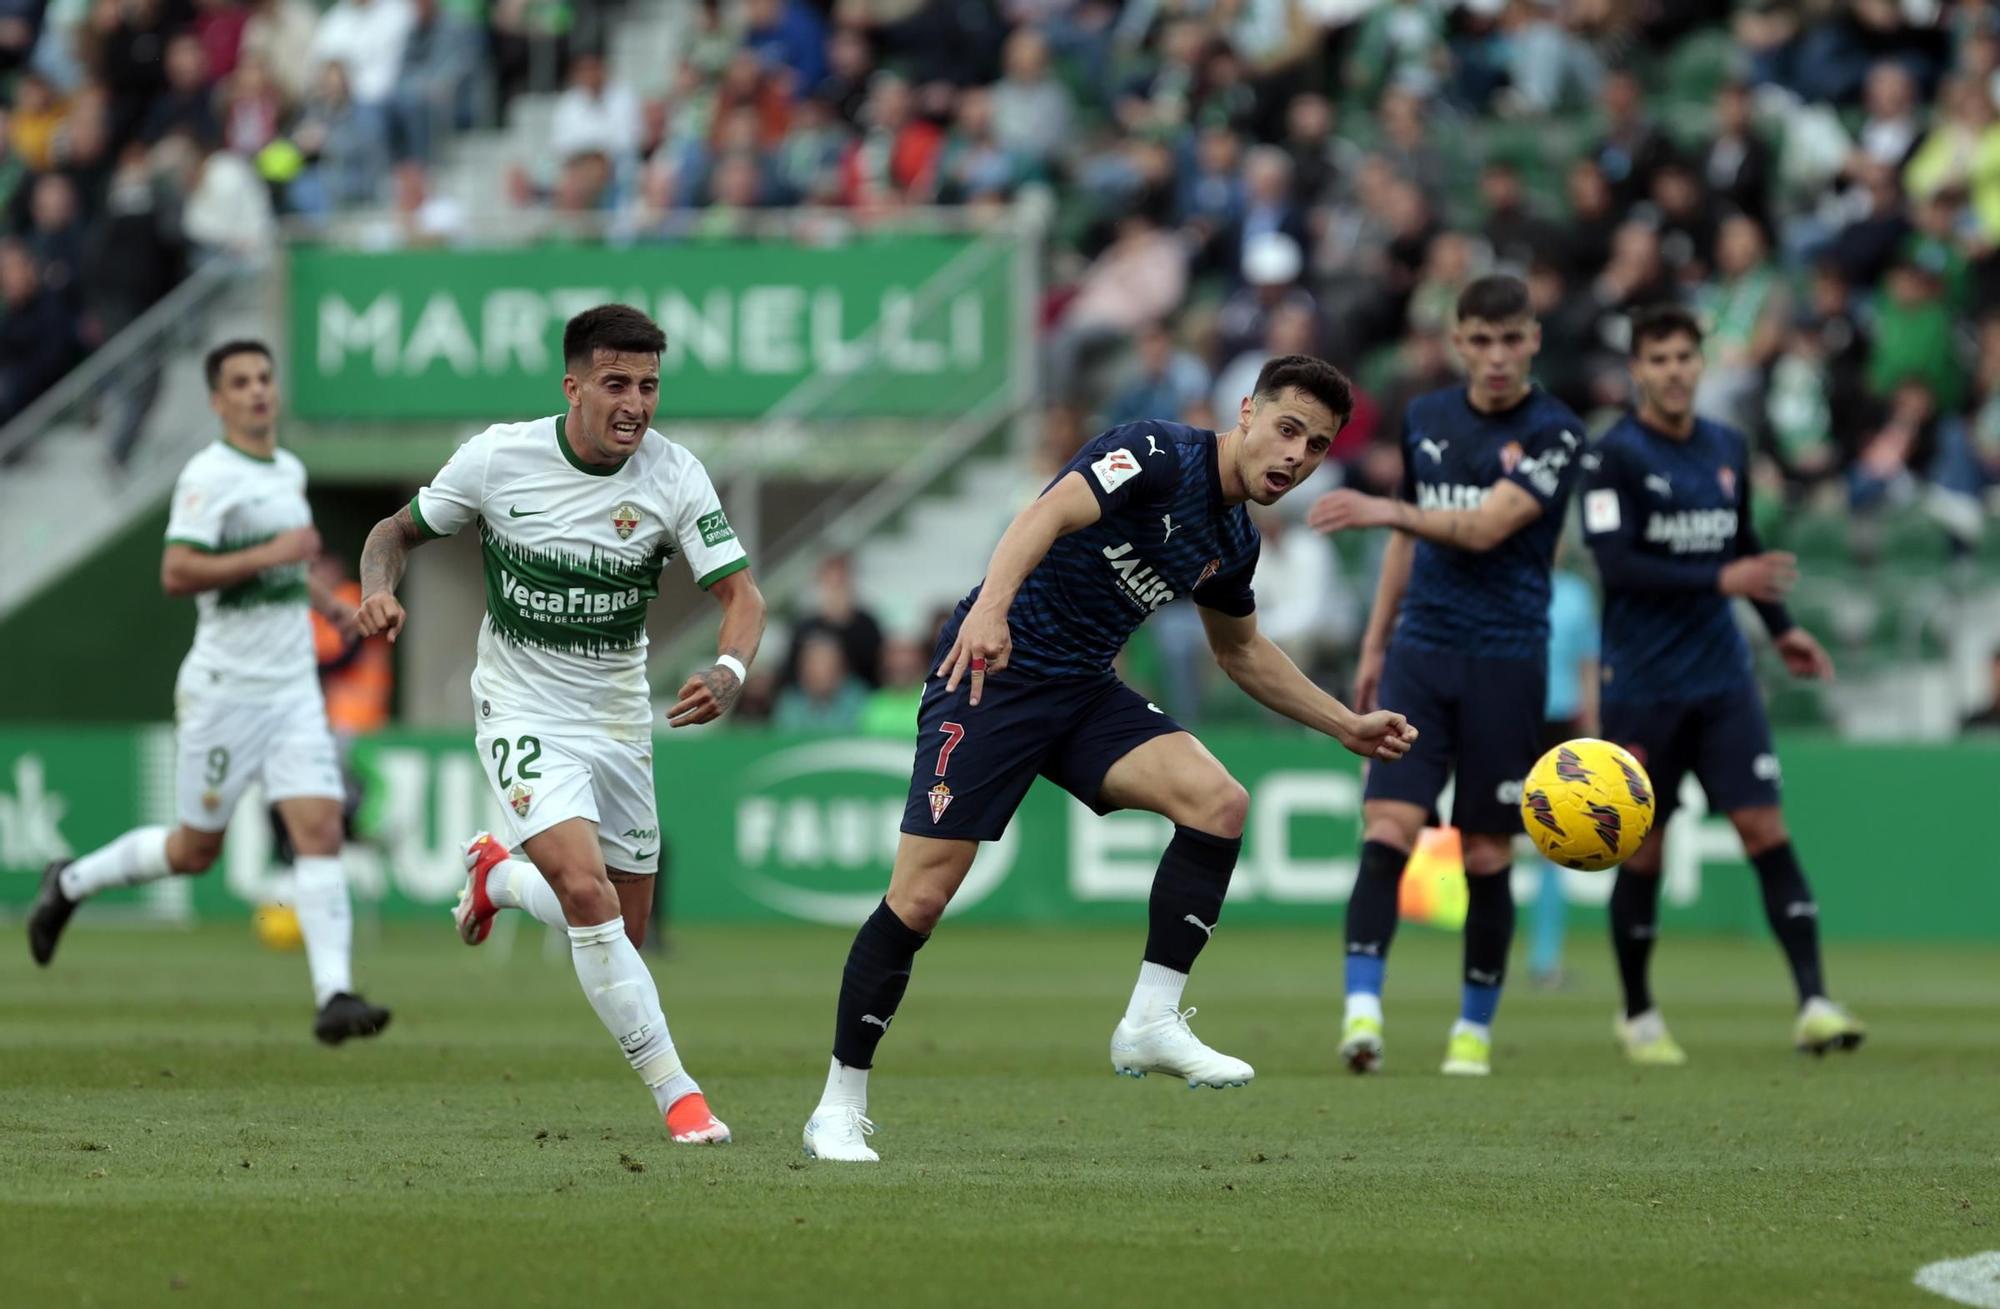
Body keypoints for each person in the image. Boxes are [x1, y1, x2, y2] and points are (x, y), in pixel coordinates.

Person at [799, 355, 1418, 1164]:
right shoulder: (1156, 452)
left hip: (1084, 690)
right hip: (995, 671)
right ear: (1246, 412)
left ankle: (1150, 1020)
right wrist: (989, 612)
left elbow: (1241, 653)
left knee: (1219, 801)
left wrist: (1345, 725)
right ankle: (839, 1102)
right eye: (1288, 429)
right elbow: (1044, 514)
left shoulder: (1232, 540)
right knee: (918, 900)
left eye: (1317, 445)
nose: (1297, 456)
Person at [353, 304, 766, 1144]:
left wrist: (730, 669)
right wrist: (376, 587)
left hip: (617, 713)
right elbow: (391, 533)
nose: (636, 404)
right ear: (572, 386)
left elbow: (742, 596)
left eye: (649, 386)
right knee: (587, 894)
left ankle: (497, 879)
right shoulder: (498, 458)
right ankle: (679, 1096)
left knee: (622, 925)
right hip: (520, 703)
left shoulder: (675, 474)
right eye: (616, 383)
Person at [26, 341, 390, 1046]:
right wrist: (269, 555)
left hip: (290, 692)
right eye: (241, 383)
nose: (257, 391)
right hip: (226, 692)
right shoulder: (208, 474)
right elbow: (177, 570)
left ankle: (334, 993)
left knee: (320, 828)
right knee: (195, 850)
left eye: (264, 378)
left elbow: (287, 566)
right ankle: (69, 882)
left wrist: (330, 604)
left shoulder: (287, 468)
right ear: (219, 400)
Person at [1307, 274, 1586, 1078]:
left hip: (1507, 661)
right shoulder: (1428, 417)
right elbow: (1407, 542)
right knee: (1388, 830)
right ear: (1458, 341)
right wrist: (1373, 644)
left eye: (1512, 339)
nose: (1497, 356)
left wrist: (1390, 511)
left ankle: (1474, 1028)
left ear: (1533, 339)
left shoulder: (1556, 432)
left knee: (1487, 854)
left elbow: (1486, 526)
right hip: (1420, 654)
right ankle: (1362, 1012)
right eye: (1482, 340)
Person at [1582, 303, 1864, 1065]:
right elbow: (1618, 566)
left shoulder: (1727, 447)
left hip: (1722, 680)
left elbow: (1745, 547)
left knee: (1764, 830)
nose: (1675, 371)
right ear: (1639, 369)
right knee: (1644, 852)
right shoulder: (1613, 458)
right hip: (1642, 685)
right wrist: (1722, 578)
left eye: (1685, 357)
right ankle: (1638, 1013)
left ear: (1700, 364)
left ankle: (1814, 1001)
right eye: (1660, 359)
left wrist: (1783, 628)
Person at [1527, 551, 1599, 989]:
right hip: (1513, 716)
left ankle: (1544, 958)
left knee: (1552, 847)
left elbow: (1587, 665)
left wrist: (1594, 733)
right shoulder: (1507, 584)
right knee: (1488, 838)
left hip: (1562, 726)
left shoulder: (1576, 594)